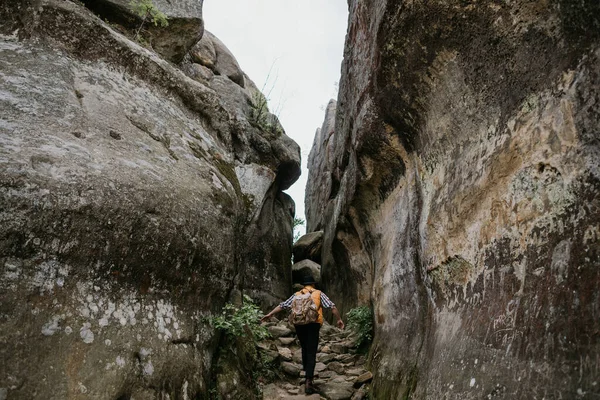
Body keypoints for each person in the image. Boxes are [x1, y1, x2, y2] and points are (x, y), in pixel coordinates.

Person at [261, 275, 344, 394]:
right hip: (313, 324)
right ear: (313, 284)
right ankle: (309, 381)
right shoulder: (318, 293)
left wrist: (270, 314)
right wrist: (339, 320)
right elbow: (332, 307)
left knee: (304, 347)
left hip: (299, 324)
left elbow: (282, 305)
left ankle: (306, 370)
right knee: (311, 350)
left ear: (303, 285)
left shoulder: (297, 295)